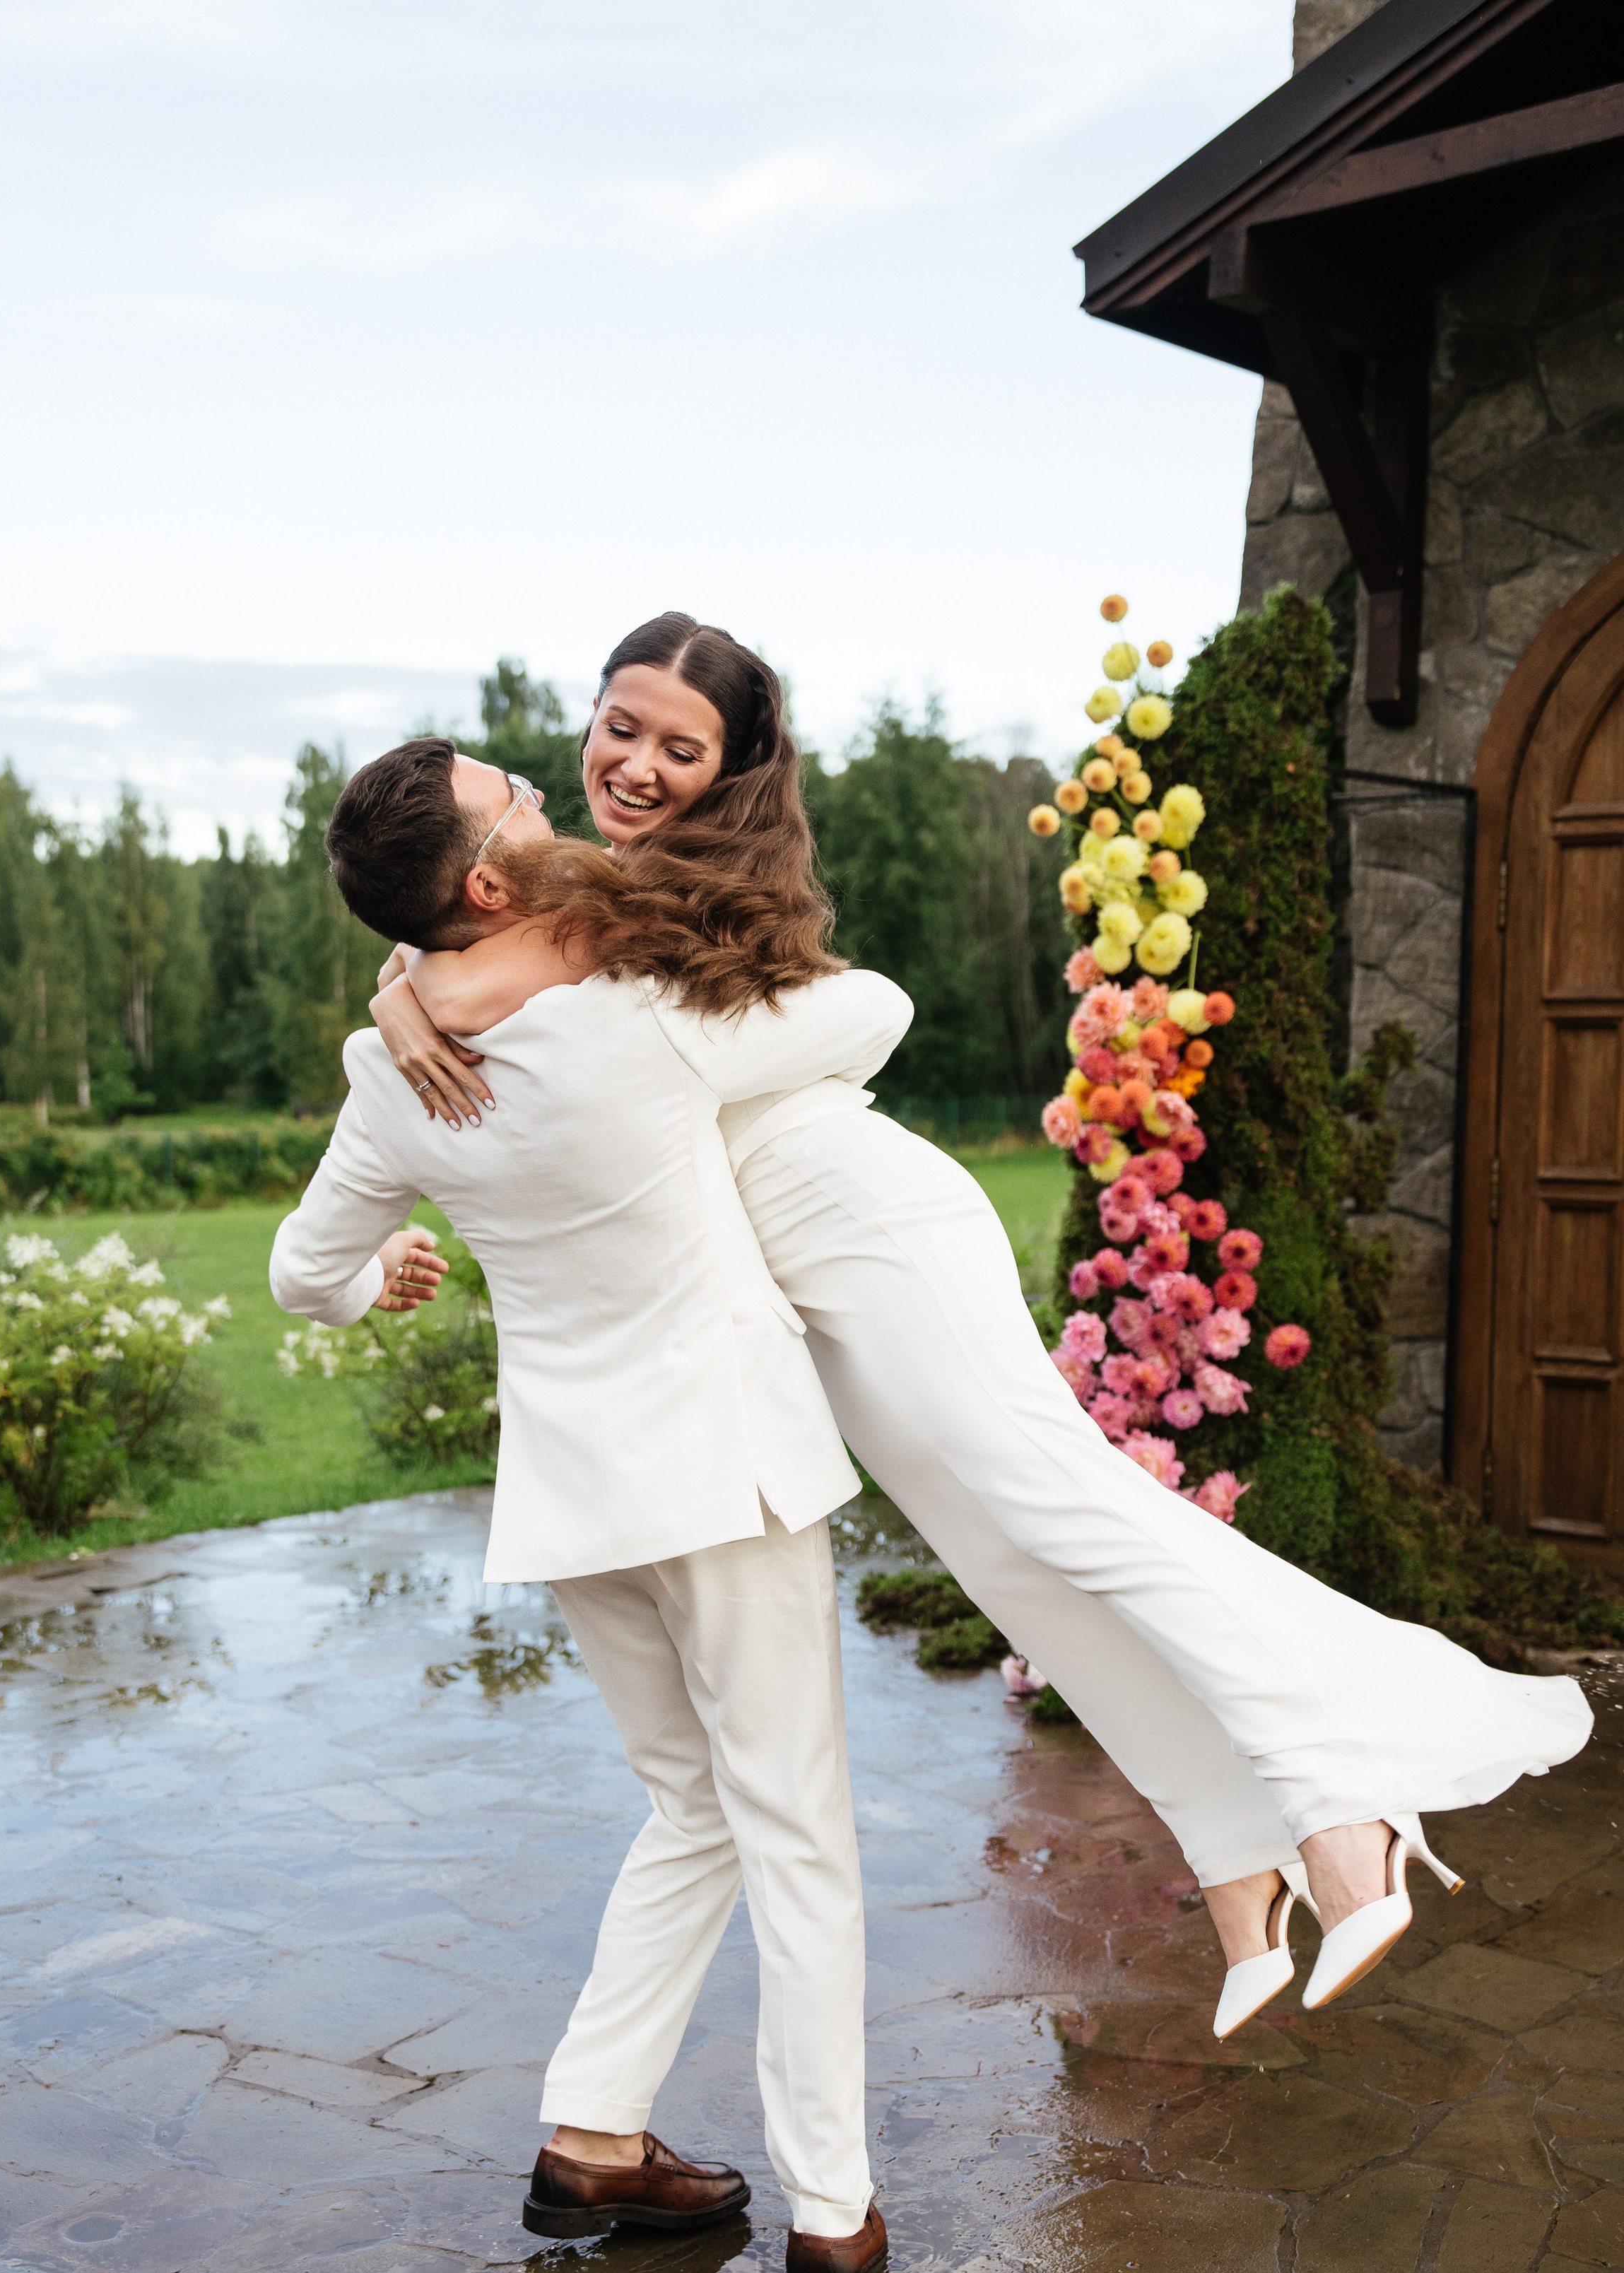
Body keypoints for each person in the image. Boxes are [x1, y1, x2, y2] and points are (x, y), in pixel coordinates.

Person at [367, 612, 1593, 2041]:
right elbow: (473, 961)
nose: (632, 764)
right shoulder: (582, 890)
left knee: (1072, 1520)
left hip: (868, 1228)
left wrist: (419, 989)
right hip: (810, 1289)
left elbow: (866, 1009)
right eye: (617, 726)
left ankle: (1344, 1809)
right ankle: (1236, 1865)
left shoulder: (678, 891)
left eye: (677, 745)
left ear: (733, 769)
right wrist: (403, 984)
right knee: (1022, 1570)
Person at [273, 736, 911, 2273]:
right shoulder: (642, 1011)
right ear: (487, 880)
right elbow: (879, 1009)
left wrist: (377, 1269)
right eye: (524, 806)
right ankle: (831, 2219)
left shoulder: (394, 1073)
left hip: (575, 1498)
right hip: (725, 1472)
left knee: (692, 1804)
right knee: (796, 1836)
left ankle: (593, 2134)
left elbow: (299, 1272)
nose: (557, 806)